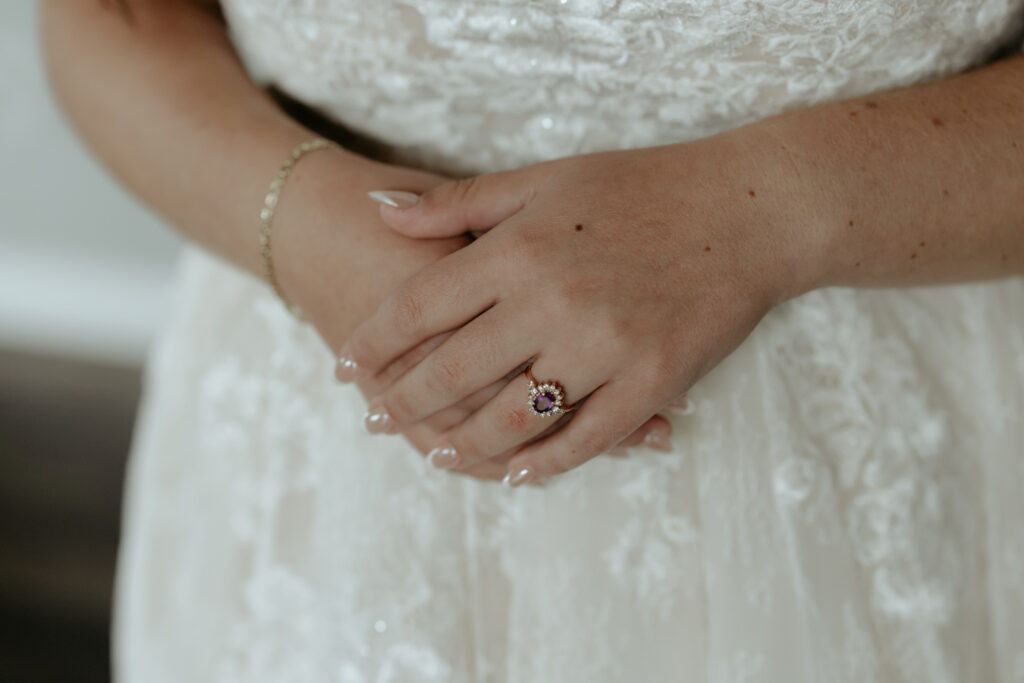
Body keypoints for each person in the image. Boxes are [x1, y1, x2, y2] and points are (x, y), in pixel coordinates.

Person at [43, 0, 1024, 680]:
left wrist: (764, 214)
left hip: (879, 463)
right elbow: (108, 17)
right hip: (325, 466)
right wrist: (298, 224)